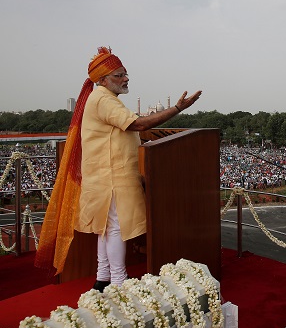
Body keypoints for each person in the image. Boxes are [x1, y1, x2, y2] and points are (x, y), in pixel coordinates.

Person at [36, 46, 201, 291]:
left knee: (105, 229)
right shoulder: (103, 98)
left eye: (126, 74)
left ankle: (104, 278)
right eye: (119, 75)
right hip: (111, 176)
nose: (125, 79)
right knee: (114, 228)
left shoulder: (102, 98)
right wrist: (177, 109)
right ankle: (119, 282)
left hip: (104, 176)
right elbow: (138, 124)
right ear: (102, 79)